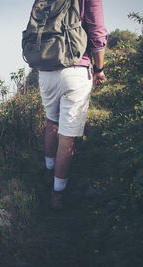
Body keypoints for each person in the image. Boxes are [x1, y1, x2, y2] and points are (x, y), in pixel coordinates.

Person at [38, 0, 108, 209]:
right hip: (75, 69)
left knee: (52, 121)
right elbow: (96, 32)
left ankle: (48, 173)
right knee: (67, 137)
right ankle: (58, 194)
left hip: (45, 69)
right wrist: (99, 68)